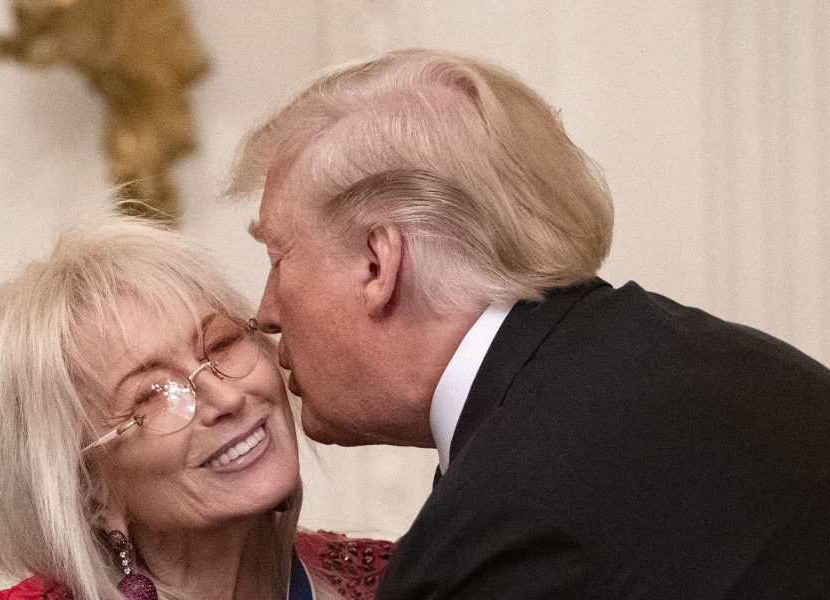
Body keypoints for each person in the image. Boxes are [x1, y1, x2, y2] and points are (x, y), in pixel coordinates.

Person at [226, 48, 830, 599]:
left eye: (278, 257)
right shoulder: (754, 369)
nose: (265, 312)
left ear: (377, 263)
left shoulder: (503, 527)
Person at [0, 215, 391, 600]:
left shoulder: (396, 583)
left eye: (222, 344)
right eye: (154, 394)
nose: (228, 398)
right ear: (87, 491)